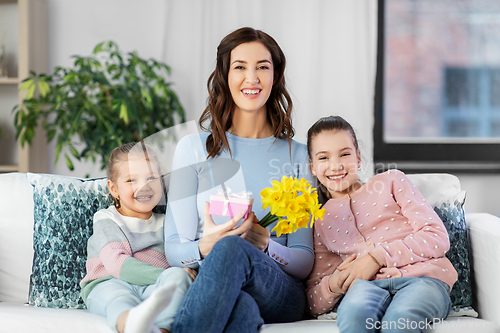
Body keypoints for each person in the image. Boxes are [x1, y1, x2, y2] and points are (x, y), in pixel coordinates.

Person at [164, 27, 314, 333]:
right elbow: (173, 249)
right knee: (241, 308)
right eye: (240, 67)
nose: (252, 78)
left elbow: (304, 262)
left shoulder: (298, 156)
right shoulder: (193, 150)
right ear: (224, 75)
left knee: (232, 248)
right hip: (220, 285)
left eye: (262, 67)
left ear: (275, 76)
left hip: (280, 291)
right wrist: (203, 247)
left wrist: (266, 246)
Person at [305, 116, 457, 332]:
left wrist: (376, 258)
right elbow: (312, 300)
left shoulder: (391, 181)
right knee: (353, 316)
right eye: (323, 158)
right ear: (313, 167)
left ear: (358, 158)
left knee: (399, 321)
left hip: (424, 279)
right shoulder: (320, 220)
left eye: (345, 154)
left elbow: (436, 236)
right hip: (365, 288)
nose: (335, 165)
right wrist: (334, 283)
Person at [80, 142, 196, 333]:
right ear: (114, 188)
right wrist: (162, 275)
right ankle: (131, 324)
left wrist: (181, 273)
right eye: (131, 180)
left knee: (177, 277)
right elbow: (118, 265)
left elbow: (183, 253)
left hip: (152, 287)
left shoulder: (168, 222)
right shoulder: (107, 218)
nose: (144, 186)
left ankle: (161, 329)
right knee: (120, 299)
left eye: (151, 177)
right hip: (109, 283)